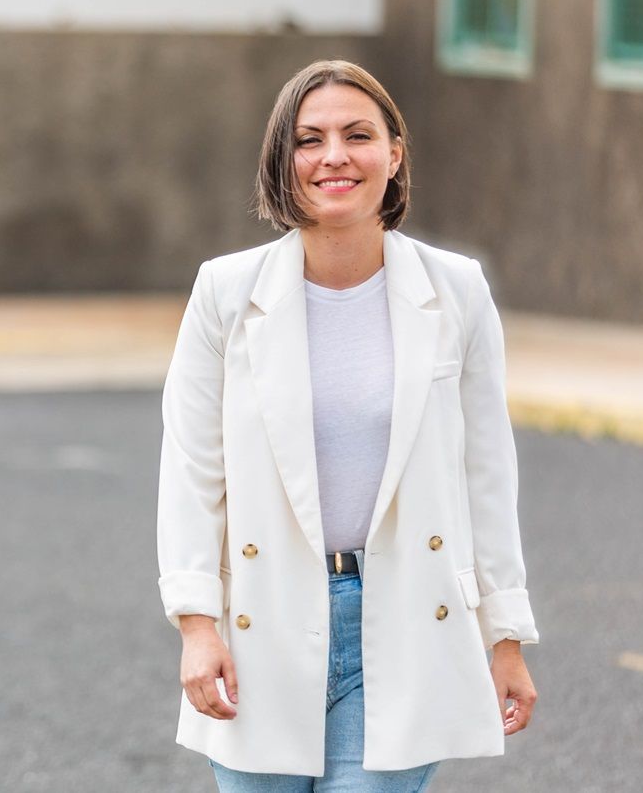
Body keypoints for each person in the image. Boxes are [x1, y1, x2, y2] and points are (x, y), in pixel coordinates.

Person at [155, 59, 540, 792]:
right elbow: (191, 469)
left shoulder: (455, 290)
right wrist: (196, 625)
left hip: (406, 617)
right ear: (283, 161)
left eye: (357, 135)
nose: (334, 155)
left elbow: (487, 471)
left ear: (394, 156)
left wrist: (505, 634)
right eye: (310, 139)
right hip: (257, 628)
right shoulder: (226, 293)